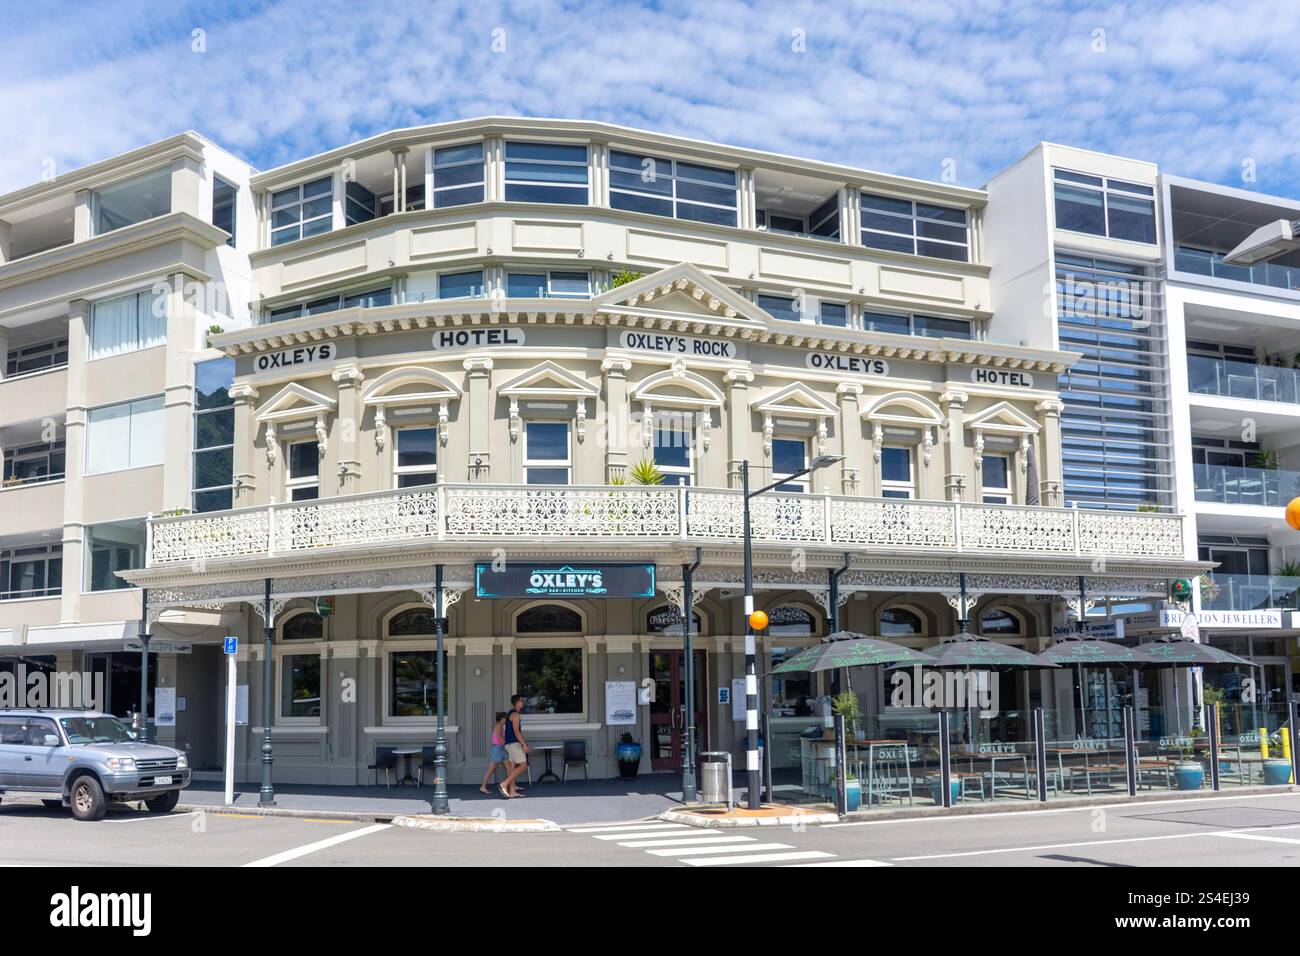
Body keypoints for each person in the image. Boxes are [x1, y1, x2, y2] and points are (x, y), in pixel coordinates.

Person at [499, 694, 530, 798]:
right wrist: (524, 745)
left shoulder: (510, 714)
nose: (523, 702)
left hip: (509, 744)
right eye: (521, 700)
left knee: (513, 767)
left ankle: (512, 791)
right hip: (514, 744)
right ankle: (504, 784)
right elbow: (517, 732)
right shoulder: (516, 715)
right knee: (523, 765)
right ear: (517, 702)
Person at [479, 711, 510, 794]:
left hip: (502, 749)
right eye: (506, 718)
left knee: (508, 768)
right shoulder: (498, 725)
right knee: (491, 769)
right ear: (502, 719)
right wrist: (506, 744)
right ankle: (483, 787)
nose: (507, 720)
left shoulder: (501, 726)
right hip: (498, 749)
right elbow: (499, 737)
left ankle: (510, 785)